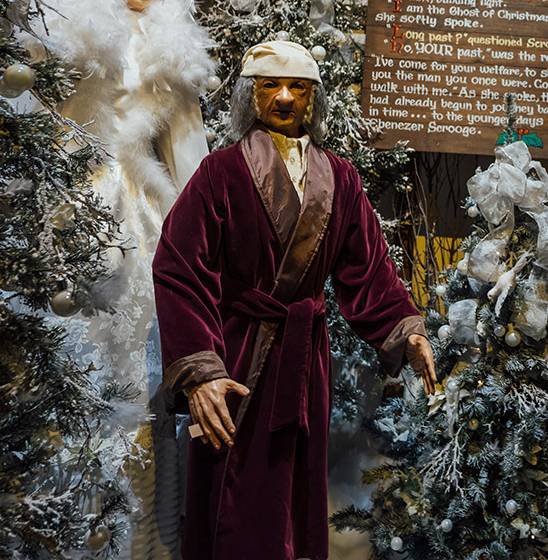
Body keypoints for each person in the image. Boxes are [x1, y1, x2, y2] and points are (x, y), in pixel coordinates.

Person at [152, 40, 436, 560]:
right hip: (237, 355)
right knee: (233, 490)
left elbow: (367, 269)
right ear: (249, 96)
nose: (284, 97)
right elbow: (179, 266)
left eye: (298, 87)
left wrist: (405, 327)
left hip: (305, 360)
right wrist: (201, 371)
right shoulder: (221, 173)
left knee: (294, 484)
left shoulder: (341, 178)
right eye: (270, 86)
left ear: (313, 98)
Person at [32, 0, 214, 560]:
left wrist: (207, 241)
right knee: (57, 365)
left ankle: (125, 532)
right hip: (61, 205)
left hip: (135, 221)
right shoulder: (64, 32)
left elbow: (191, 159)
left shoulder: (170, 54)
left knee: (128, 377)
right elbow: (34, 120)